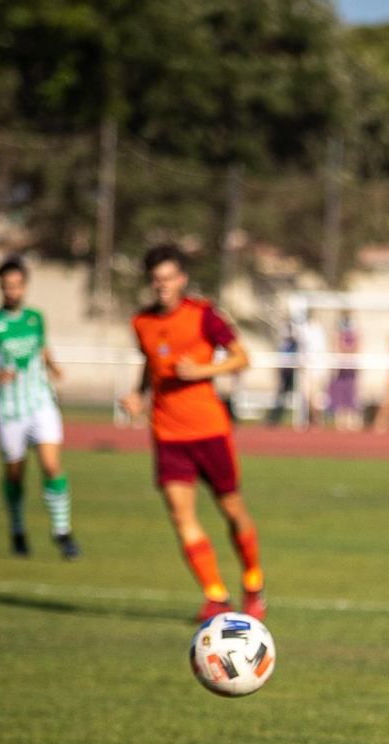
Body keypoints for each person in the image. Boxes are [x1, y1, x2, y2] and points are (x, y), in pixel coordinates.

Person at [120, 244, 265, 622]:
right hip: (168, 435)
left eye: (168, 278)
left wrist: (203, 371)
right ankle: (216, 596)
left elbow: (242, 358)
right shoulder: (141, 322)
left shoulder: (203, 316)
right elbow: (150, 365)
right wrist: (138, 394)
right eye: (156, 279)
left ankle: (253, 582)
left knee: (233, 511)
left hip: (210, 431)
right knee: (181, 516)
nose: (162, 285)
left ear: (181, 279)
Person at [0, 258, 80, 560]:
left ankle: (62, 532)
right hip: (9, 408)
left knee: (52, 466)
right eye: (7, 286)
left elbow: (42, 348)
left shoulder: (35, 318)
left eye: (17, 285)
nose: (12, 291)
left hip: (40, 402)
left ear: (25, 286)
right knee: (15, 474)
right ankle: (17, 529)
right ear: (0, 287)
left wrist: (53, 367)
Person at [296, 310, 330, 429]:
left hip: (317, 368)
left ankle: (318, 421)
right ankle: (308, 420)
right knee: (306, 395)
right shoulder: (303, 330)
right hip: (306, 367)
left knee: (316, 397)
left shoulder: (318, 330)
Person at [329, 311, 361, 431]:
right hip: (340, 369)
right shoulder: (337, 334)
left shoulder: (356, 335)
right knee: (340, 395)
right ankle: (341, 422)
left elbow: (356, 347)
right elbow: (337, 347)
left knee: (351, 395)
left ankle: (352, 421)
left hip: (351, 369)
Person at [267, 322, 298, 427]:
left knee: (299, 396)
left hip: (294, 372)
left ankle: (305, 420)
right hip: (285, 372)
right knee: (281, 396)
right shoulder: (282, 344)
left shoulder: (295, 343)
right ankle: (274, 418)